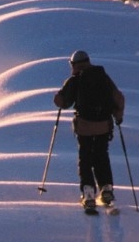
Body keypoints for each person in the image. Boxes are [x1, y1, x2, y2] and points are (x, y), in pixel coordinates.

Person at [54, 50, 125, 212]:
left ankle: (88, 193)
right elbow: (118, 98)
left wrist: (58, 97)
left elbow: (63, 102)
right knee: (101, 155)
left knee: (85, 158)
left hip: (84, 126)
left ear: (73, 64)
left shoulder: (75, 80)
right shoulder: (103, 77)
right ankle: (106, 189)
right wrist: (118, 117)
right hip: (104, 126)